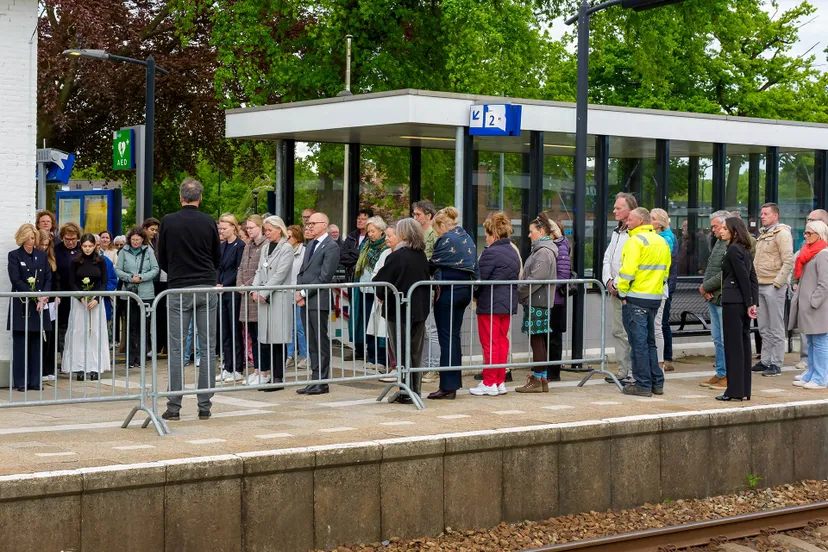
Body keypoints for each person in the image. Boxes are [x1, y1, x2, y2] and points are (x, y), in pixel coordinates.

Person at [156, 178, 222, 421]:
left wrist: (175, 271)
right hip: (205, 286)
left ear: (180, 197)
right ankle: (204, 405)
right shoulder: (208, 221)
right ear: (200, 197)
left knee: (176, 349)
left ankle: (174, 406)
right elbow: (217, 255)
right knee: (207, 348)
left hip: (179, 288)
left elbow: (161, 256)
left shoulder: (168, 221)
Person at [374, 218, 431, 404]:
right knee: (415, 353)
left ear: (404, 234)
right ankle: (414, 390)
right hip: (419, 310)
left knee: (402, 352)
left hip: (398, 311)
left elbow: (382, 282)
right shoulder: (421, 255)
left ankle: (406, 391)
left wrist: (380, 293)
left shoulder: (397, 256)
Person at [615, 208, 671, 397]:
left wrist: (621, 293)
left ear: (640, 221)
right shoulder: (661, 241)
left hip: (636, 298)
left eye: (630, 219)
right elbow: (665, 273)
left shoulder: (635, 242)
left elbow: (627, 272)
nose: (627, 222)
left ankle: (643, 385)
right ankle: (657, 383)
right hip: (654, 298)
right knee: (650, 342)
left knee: (638, 343)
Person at [428, 207, 478, 400]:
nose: (437, 233)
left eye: (436, 229)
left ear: (442, 225)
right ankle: (453, 383)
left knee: (446, 338)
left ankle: (448, 385)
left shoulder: (447, 239)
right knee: (454, 337)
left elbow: (432, 263)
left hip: (447, 292)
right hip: (463, 292)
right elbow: (475, 266)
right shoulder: (468, 238)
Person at [471, 212, 520, 396]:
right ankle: (499, 381)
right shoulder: (513, 251)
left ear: (494, 234)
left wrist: (474, 295)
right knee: (501, 342)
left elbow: (480, 279)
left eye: (486, 234)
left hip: (489, 303)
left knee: (489, 343)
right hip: (507, 304)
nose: (486, 238)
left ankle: (489, 381)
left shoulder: (490, 253)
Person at [295, 211, 340, 395]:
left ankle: (322, 380)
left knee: (320, 340)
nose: (309, 226)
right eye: (309, 223)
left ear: (324, 225)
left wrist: (304, 292)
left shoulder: (331, 246)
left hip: (318, 300)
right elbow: (302, 272)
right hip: (306, 300)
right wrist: (298, 291)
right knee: (311, 340)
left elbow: (325, 276)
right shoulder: (311, 244)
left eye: (313, 223)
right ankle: (314, 379)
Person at [250, 216, 295, 390]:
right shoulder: (265, 248)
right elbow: (260, 270)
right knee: (265, 338)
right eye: (265, 230)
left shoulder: (287, 248)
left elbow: (280, 274)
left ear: (279, 229)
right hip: (264, 298)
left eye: (269, 230)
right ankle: (267, 374)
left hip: (279, 298)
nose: (267, 233)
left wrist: (264, 291)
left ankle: (278, 376)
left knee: (278, 337)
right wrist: (253, 289)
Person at [717, 217, 759, 401]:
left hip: (733, 302)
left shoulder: (733, 250)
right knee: (743, 345)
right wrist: (752, 302)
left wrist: (750, 302)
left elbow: (743, 277)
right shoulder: (745, 249)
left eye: (725, 228)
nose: (721, 231)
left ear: (734, 231)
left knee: (733, 347)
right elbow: (752, 278)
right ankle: (743, 390)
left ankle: (733, 391)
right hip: (742, 302)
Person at [515, 213, 558, 393]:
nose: (529, 235)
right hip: (537, 299)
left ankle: (538, 378)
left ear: (541, 231)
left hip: (537, 301)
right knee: (537, 340)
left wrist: (520, 292)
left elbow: (536, 278)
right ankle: (541, 379)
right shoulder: (543, 250)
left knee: (537, 340)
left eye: (531, 231)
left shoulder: (543, 252)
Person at [7, 223, 51, 392]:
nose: (30, 241)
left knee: (36, 343)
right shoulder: (14, 256)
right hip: (22, 305)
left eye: (33, 238)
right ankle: (21, 381)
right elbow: (16, 280)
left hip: (39, 305)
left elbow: (47, 277)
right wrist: (34, 295)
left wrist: (44, 296)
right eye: (27, 238)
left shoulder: (41, 255)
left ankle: (35, 380)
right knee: (20, 344)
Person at [751, 202, 794, 377]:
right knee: (764, 326)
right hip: (760, 284)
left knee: (776, 326)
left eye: (766, 214)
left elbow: (788, 260)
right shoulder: (763, 234)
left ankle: (776, 363)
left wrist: (778, 283)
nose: (762, 216)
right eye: (762, 213)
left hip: (773, 285)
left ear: (775, 216)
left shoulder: (782, 234)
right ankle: (766, 360)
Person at [62, 233, 110, 381]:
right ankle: (80, 366)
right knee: (79, 333)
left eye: (90, 246)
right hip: (80, 302)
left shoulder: (101, 261)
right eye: (85, 246)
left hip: (95, 301)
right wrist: (81, 297)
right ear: (81, 246)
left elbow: (104, 282)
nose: (87, 249)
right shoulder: (75, 261)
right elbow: (71, 282)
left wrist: (96, 298)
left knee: (95, 333)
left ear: (95, 246)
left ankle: (95, 366)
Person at [789, 220, 828, 389]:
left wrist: (814, 301)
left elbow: (824, 283)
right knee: (812, 342)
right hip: (808, 306)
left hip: (818, 308)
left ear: (819, 234)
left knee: (820, 342)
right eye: (805, 233)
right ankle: (812, 373)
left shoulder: (822, 254)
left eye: (809, 233)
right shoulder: (809, 252)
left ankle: (820, 377)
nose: (805, 236)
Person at [603, 193, 637, 384]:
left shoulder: (635, 234)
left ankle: (632, 371)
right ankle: (623, 370)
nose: (614, 211)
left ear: (630, 210)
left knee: (630, 331)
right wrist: (608, 280)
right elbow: (608, 258)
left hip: (629, 291)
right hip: (615, 289)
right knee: (618, 331)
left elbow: (631, 264)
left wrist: (618, 284)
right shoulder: (616, 232)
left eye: (618, 208)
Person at [115, 226, 159, 369]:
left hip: (145, 292)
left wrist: (141, 277)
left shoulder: (148, 251)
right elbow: (118, 270)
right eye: (133, 240)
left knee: (143, 326)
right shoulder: (123, 251)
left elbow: (155, 269)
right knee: (130, 325)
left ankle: (142, 356)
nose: (135, 242)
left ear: (142, 239)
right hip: (128, 291)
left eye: (138, 240)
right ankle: (131, 357)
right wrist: (129, 278)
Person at [699, 211, 730, 390]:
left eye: (716, 226)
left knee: (725, 339)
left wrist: (705, 287)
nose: (713, 229)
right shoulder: (718, 242)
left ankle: (727, 375)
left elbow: (724, 273)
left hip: (722, 296)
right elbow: (711, 268)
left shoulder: (731, 244)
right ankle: (720, 372)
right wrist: (705, 289)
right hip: (712, 296)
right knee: (717, 338)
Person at [355, 216, 390, 371]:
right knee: (368, 326)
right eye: (368, 231)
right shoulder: (366, 245)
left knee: (380, 326)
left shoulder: (385, 248)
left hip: (378, 293)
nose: (370, 234)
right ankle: (372, 356)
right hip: (364, 289)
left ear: (381, 231)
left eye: (373, 231)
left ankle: (382, 359)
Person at [214, 213, 246, 383]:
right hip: (222, 291)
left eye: (224, 228)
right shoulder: (222, 246)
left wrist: (225, 284)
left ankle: (238, 367)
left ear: (233, 227)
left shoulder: (240, 246)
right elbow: (218, 266)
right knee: (224, 331)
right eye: (220, 228)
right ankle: (228, 366)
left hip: (233, 291)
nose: (222, 231)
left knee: (234, 331)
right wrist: (218, 282)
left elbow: (238, 269)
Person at [412, 200, 441, 382]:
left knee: (432, 330)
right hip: (421, 287)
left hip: (430, 286)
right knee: (424, 329)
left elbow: (433, 260)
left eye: (418, 215)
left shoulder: (433, 234)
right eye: (414, 214)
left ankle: (433, 367)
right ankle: (425, 365)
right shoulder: (419, 233)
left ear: (428, 215)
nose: (415, 218)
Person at [236, 215, 267, 383]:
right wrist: (239, 283)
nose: (249, 230)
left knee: (261, 335)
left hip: (256, 294)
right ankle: (256, 369)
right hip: (246, 296)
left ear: (260, 227)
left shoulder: (266, 245)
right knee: (252, 335)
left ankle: (263, 370)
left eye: (252, 227)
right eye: (247, 228)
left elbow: (260, 271)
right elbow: (241, 266)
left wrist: (246, 285)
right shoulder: (248, 245)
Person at [340, 208, 374, 359]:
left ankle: (371, 350)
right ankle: (358, 349)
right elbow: (342, 256)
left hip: (366, 281)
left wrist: (355, 255)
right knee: (355, 316)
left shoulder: (372, 237)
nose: (360, 221)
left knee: (367, 316)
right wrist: (357, 256)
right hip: (353, 279)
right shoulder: (352, 236)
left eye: (364, 218)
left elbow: (365, 256)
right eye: (358, 218)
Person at [650, 208, 677, 372]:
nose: (650, 221)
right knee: (658, 324)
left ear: (660, 222)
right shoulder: (660, 236)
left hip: (661, 286)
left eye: (652, 218)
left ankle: (664, 359)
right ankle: (661, 359)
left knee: (660, 324)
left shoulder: (666, 239)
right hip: (658, 286)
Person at [54, 222, 81, 354]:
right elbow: (55, 273)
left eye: (73, 239)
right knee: (63, 325)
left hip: (79, 292)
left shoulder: (83, 249)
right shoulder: (56, 249)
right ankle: (64, 355)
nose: (70, 242)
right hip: (62, 292)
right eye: (67, 239)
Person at [547, 219, 569, 380]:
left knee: (554, 337)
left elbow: (562, 275)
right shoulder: (552, 246)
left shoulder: (561, 247)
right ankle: (546, 370)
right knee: (547, 337)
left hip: (555, 300)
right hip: (548, 298)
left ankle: (554, 373)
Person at [285, 224, 308, 370]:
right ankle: (289, 354)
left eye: (289, 236)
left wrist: (302, 292)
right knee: (289, 327)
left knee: (300, 327)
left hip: (298, 293)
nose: (287, 239)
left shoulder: (305, 252)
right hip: (287, 293)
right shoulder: (286, 251)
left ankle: (305, 356)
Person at [144, 217, 167, 356]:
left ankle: (159, 345)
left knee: (160, 315)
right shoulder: (142, 242)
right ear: (145, 228)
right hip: (148, 280)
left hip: (161, 280)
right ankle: (148, 346)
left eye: (156, 230)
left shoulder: (159, 240)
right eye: (151, 230)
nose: (154, 232)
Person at [37, 229, 58, 382]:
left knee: (49, 335)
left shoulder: (50, 258)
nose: (44, 247)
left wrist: (56, 295)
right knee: (41, 336)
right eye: (41, 244)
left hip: (50, 301)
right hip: (39, 300)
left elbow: (55, 279)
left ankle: (49, 368)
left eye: (46, 245)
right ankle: (40, 368)